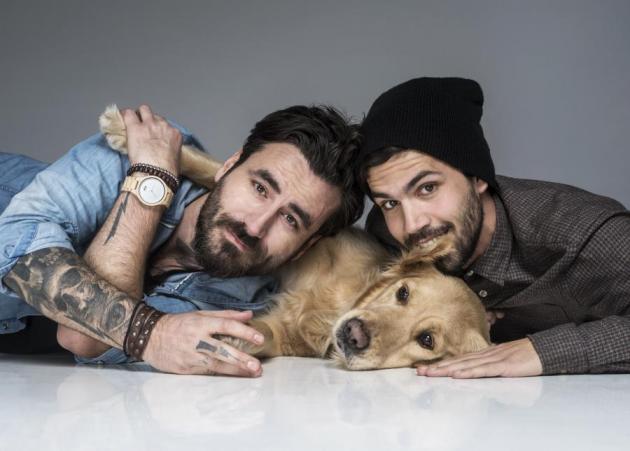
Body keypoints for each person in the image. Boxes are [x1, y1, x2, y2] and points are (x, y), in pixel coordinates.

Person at [0, 104, 363, 376]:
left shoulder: (236, 306)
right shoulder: (150, 148)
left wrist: (147, 333)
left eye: (290, 220)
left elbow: (85, 338)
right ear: (229, 166)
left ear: (306, 246)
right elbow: (16, 244)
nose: (255, 226)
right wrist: (153, 177)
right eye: (259, 188)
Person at [358, 77, 630, 377]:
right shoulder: (386, 232)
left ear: (477, 178)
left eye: (427, 188)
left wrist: (542, 351)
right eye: (389, 203)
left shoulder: (586, 235)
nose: (412, 225)